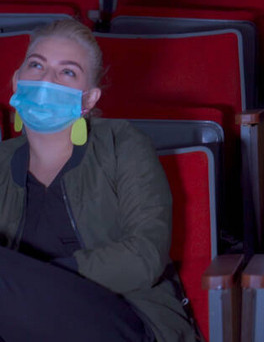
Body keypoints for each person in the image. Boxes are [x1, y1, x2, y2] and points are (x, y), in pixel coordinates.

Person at [0, 20, 196, 341]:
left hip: (125, 317)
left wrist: (46, 276)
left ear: (88, 100)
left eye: (67, 72)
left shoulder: (124, 146)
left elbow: (145, 257)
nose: (47, 79)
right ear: (16, 80)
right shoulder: (2, 160)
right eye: (36, 64)